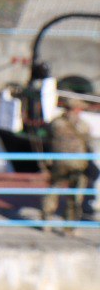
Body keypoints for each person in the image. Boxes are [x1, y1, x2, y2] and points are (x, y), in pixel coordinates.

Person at [42, 97, 92, 230]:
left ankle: (46, 221)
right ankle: (70, 226)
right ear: (77, 109)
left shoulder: (55, 123)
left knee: (54, 189)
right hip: (79, 163)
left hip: (59, 162)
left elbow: (47, 140)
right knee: (76, 194)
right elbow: (88, 144)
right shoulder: (83, 125)